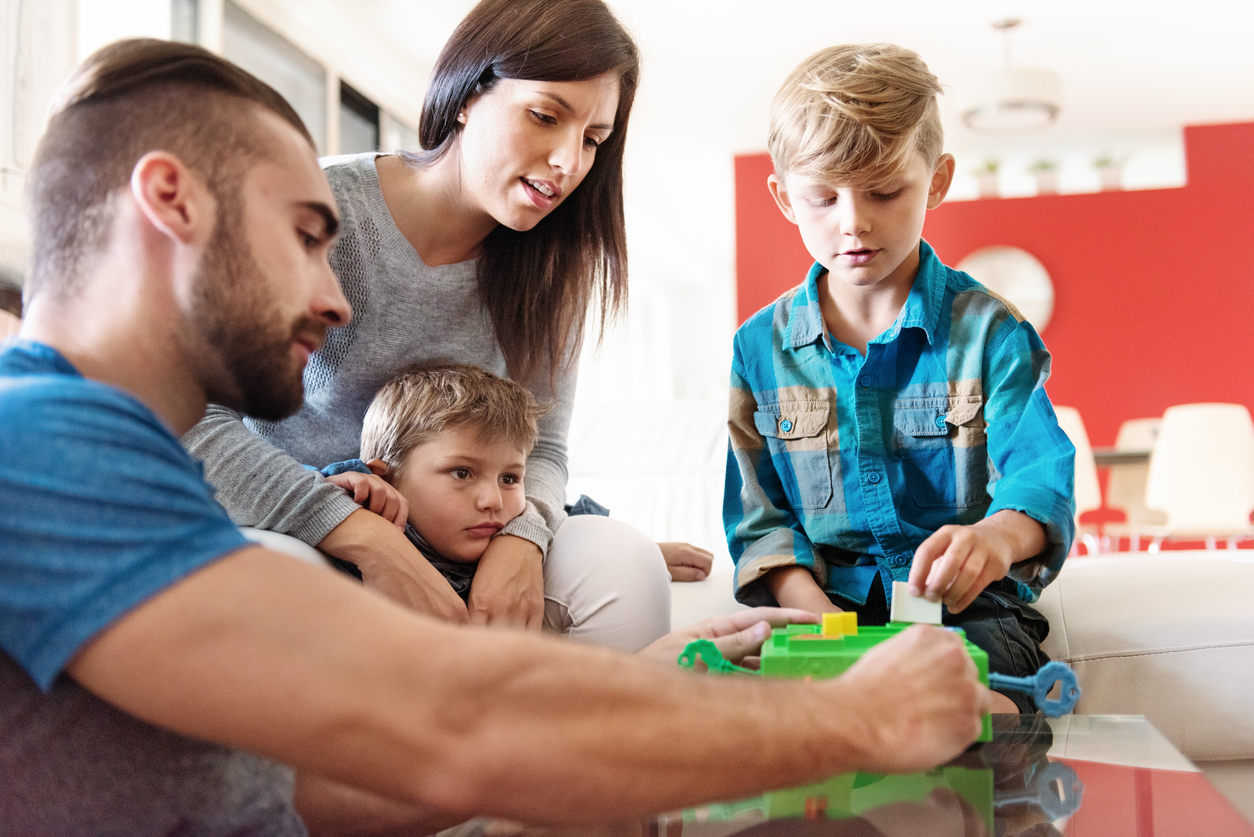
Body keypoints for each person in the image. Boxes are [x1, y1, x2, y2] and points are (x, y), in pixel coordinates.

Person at [0, 37, 990, 834]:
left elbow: (314, 788)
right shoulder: (39, 447)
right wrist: (859, 714)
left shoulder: (100, 459)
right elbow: (448, 725)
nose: (337, 298)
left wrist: (645, 678)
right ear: (170, 202)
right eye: (307, 234)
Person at [182, 0, 711, 650]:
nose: (569, 162)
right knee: (267, 575)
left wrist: (521, 539)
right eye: (545, 116)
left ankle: (570, 752)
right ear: (467, 95)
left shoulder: (555, 269)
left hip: (466, 537)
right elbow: (190, 414)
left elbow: (543, 447)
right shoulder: (321, 213)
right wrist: (361, 534)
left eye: (593, 140)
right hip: (301, 521)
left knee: (621, 558)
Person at [723, 44, 1076, 715]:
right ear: (784, 198)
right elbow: (760, 518)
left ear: (937, 180)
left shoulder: (991, 333)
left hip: (966, 611)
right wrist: (822, 627)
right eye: (822, 198)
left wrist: (994, 538)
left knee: (965, 697)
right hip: (822, 610)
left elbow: (1041, 481)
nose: (853, 221)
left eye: (885, 191)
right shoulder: (757, 348)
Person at [317, 364, 544, 604]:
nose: (493, 501)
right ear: (385, 479)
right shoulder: (345, 541)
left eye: (509, 479)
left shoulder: (539, 554)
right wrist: (333, 489)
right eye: (462, 473)